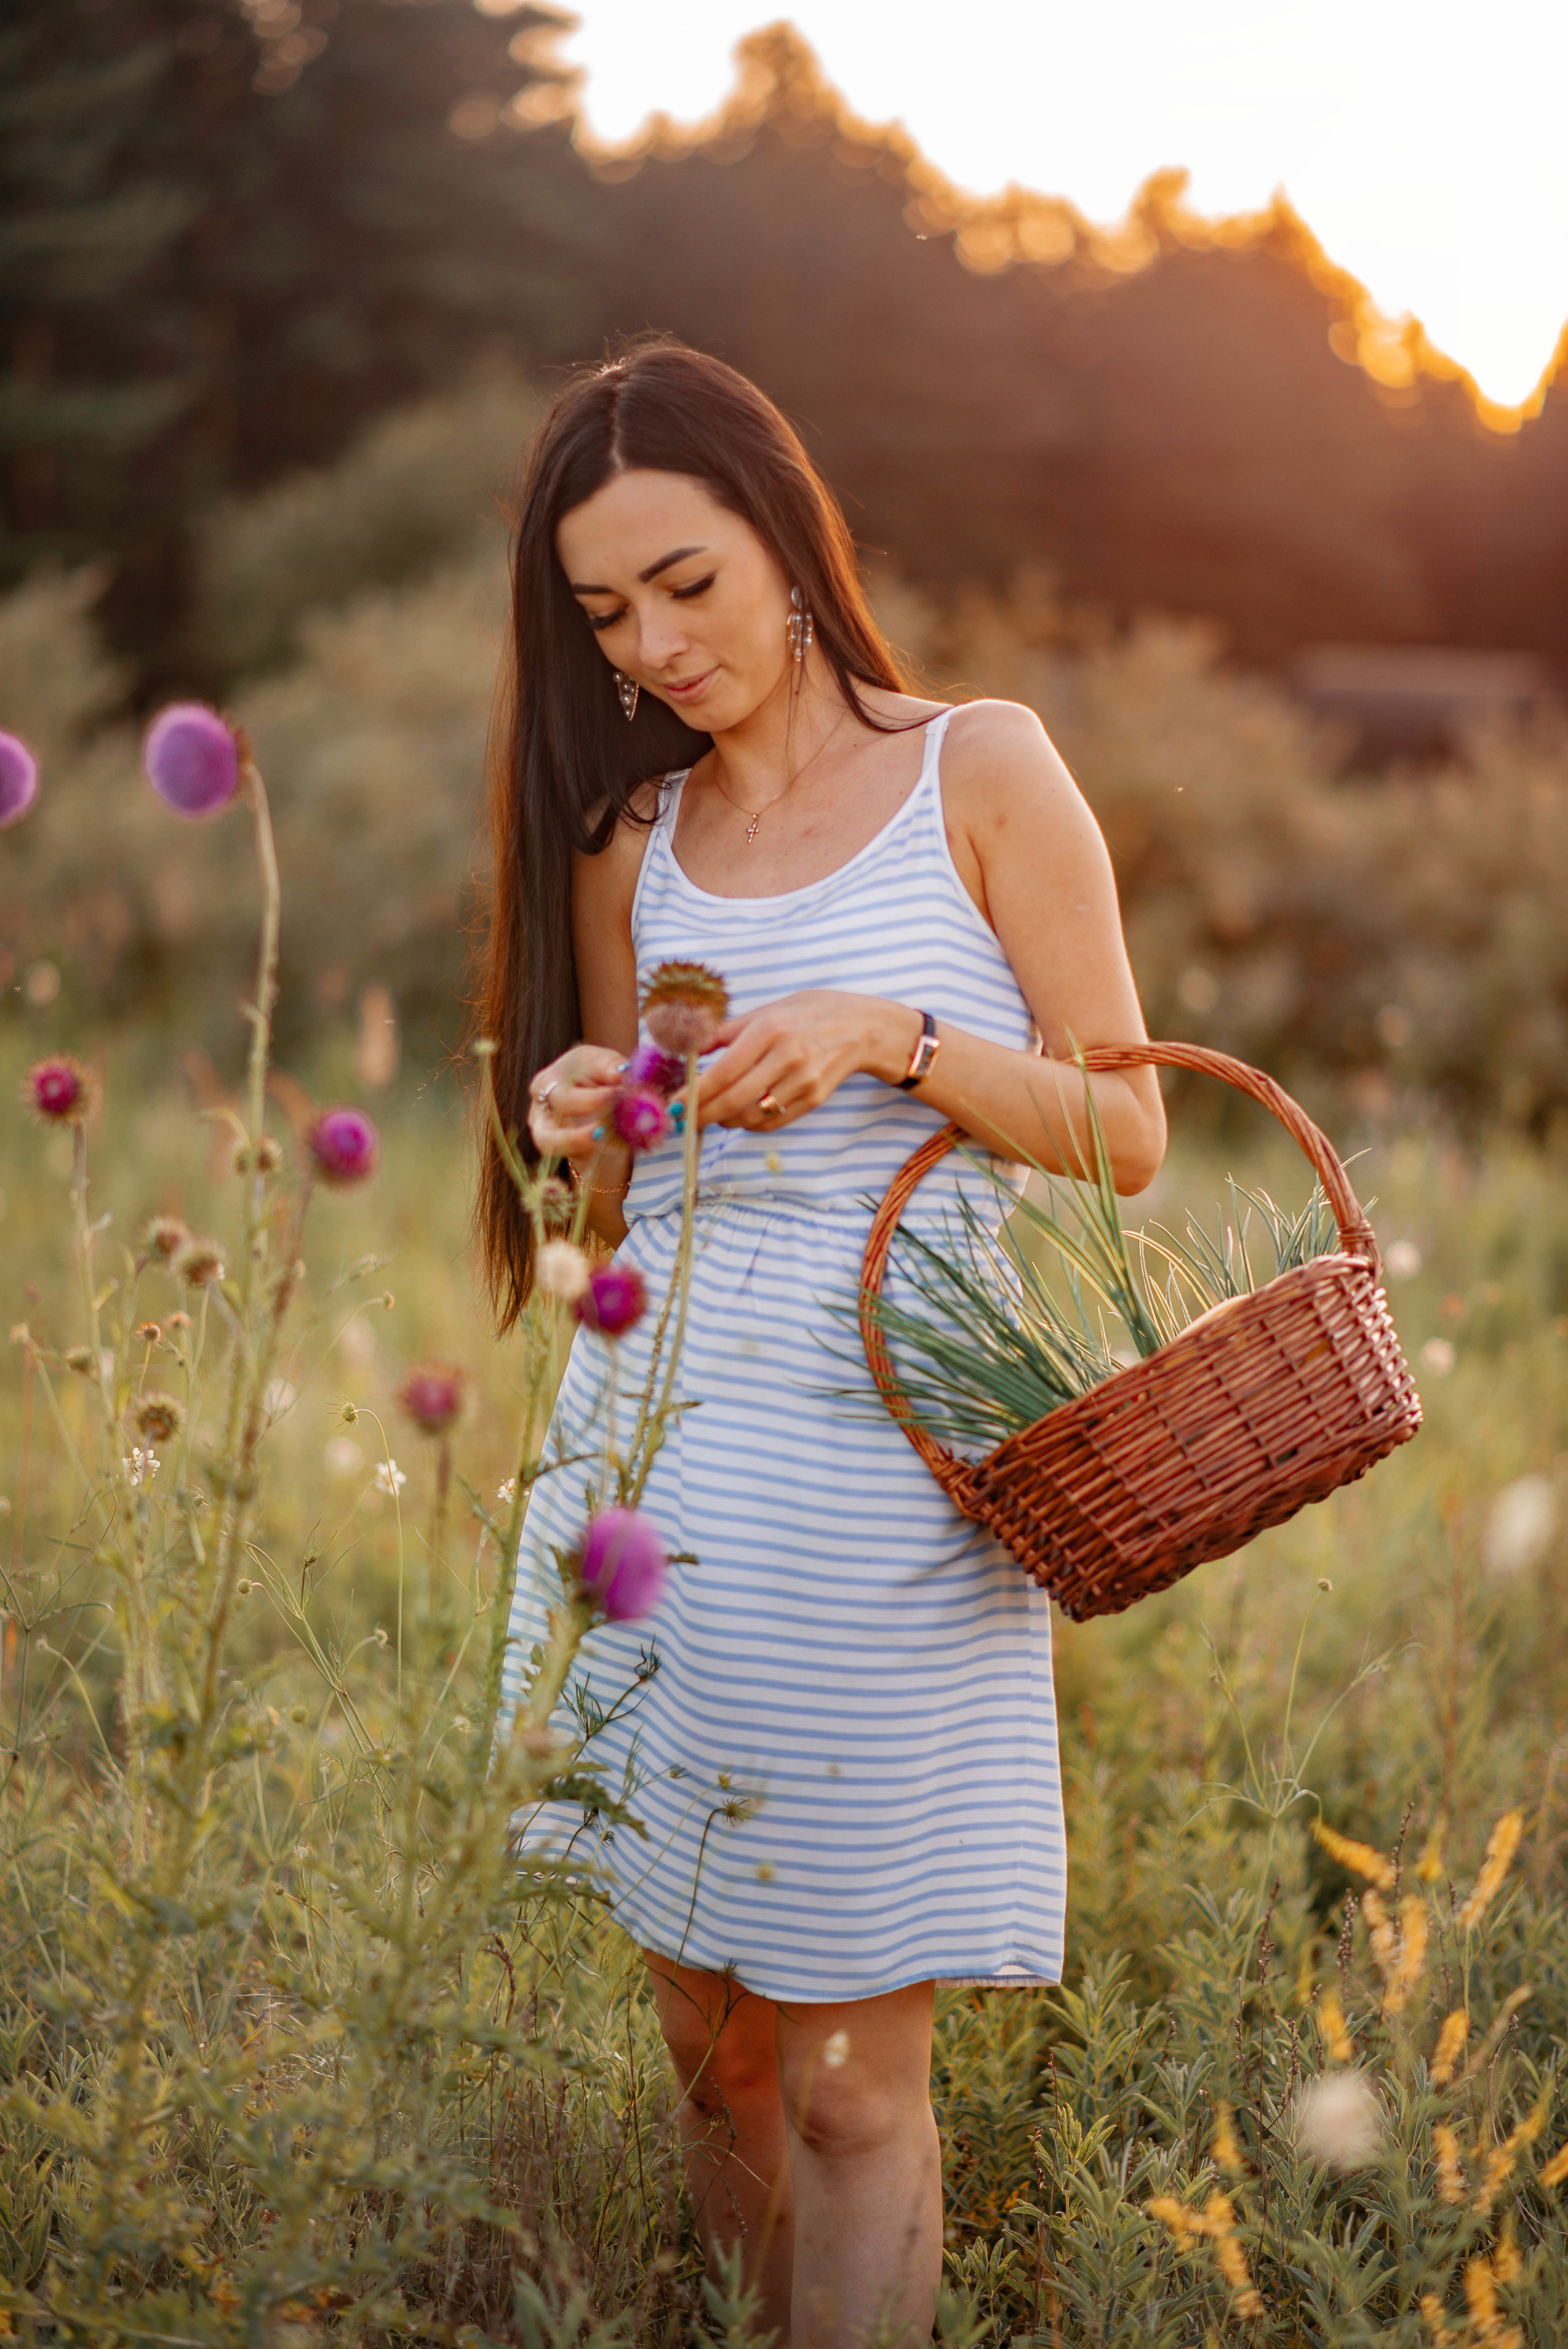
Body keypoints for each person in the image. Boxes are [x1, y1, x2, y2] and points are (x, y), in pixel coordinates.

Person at [478, 340, 1165, 2344]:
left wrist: (893, 1036)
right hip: (659, 1463)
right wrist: (580, 1124)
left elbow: (1127, 1130)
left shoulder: (985, 766)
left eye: (687, 580)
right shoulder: (632, 838)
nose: (659, 641)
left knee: (860, 2073)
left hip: (881, 1489)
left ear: (788, 533)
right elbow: (629, 1222)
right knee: (718, 2054)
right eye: (607, 613)